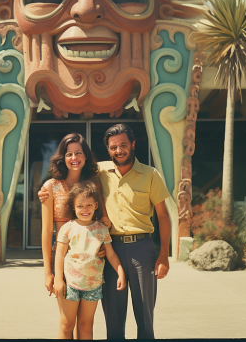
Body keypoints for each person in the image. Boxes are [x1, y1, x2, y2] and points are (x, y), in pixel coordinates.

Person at [39, 123, 171, 339]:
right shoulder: (76, 179)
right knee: (94, 320)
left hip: (129, 251)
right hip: (87, 255)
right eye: (113, 147)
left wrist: (163, 255)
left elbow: (162, 216)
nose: (118, 150)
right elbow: (46, 232)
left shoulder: (139, 175)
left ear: (133, 145)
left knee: (137, 317)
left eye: (123, 145)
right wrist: (45, 191)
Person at [40, 133, 111, 336]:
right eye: (69, 154)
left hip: (91, 264)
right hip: (64, 263)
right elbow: (46, 233)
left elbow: (103, 223)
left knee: (87, 325)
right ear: (62, 158)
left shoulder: (95, 185)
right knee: (67, 324)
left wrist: (104, 246)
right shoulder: (50, 187)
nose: (74, 158)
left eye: (78, 153)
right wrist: (48, 273)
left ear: (86, 156)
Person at [54, 181, 126, 339]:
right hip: (71, 285)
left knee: (86, 325)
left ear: (95, 206)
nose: (84, 209)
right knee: (67, 325)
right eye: (80, 206)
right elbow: (59, 255)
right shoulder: (67, 228)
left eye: (88, 205)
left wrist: (121, 273)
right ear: (73, 207)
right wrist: (58, 280)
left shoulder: (101, 229)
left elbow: (111, 254)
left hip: (93, 285)